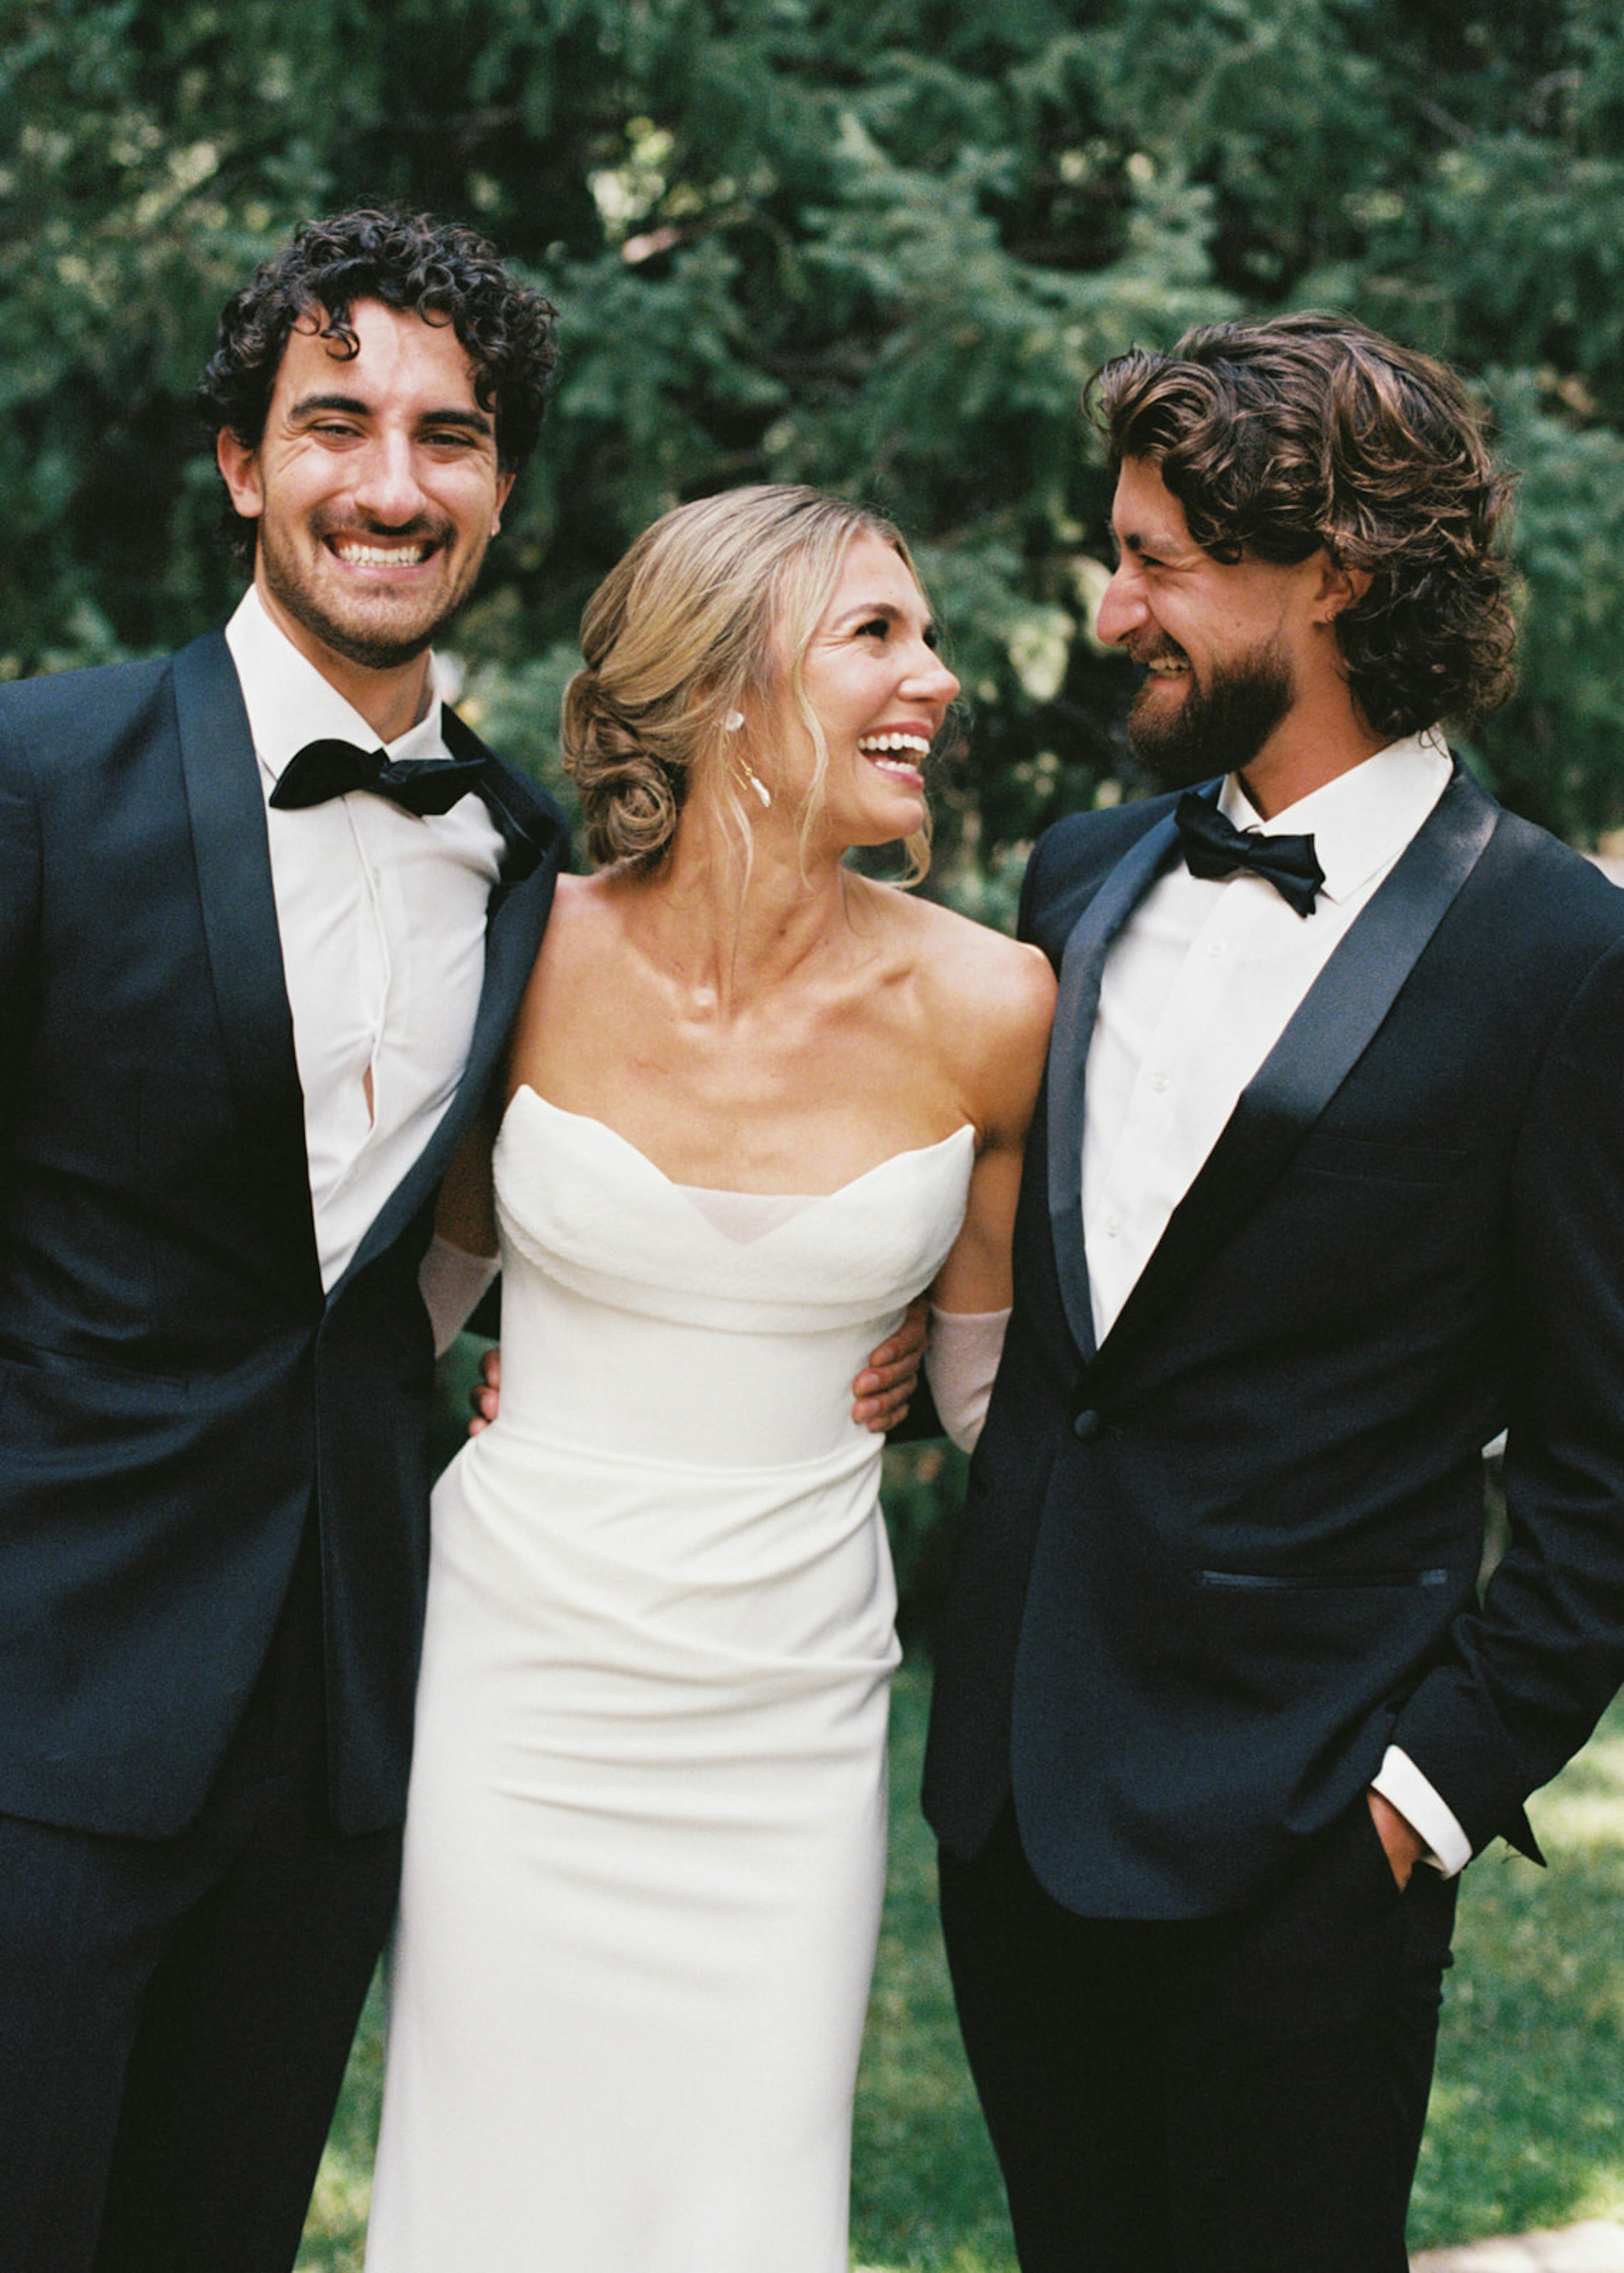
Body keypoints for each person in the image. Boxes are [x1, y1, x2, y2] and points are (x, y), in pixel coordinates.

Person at [922, 309, 1624, 2273]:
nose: (1108, 603)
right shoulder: (1080, 874)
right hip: (1010, 1808)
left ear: (1338, 575)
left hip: (1309, 1839)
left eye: (1158, 562)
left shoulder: (1559, 952)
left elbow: (1603, 1457)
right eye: (1115, 546)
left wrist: (1426, 1787)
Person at [362, 482, 1056, 2273]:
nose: (944, 676)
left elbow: (1000, 1407)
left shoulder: (993, 1007)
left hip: (788, 1704)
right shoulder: (520, 955)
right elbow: (399, 1309)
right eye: (878, 636)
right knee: (495, 2190)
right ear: (735, 683)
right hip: (520, 1678)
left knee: (740, 2206)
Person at [0, 206, 570, 2273]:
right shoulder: (36, 774)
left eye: (450, 435)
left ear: (501, 482)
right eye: (337, 424)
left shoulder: (538, 864)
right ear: (246, 462)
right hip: (40, 1700)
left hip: (341, 1718)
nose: (393, 485)